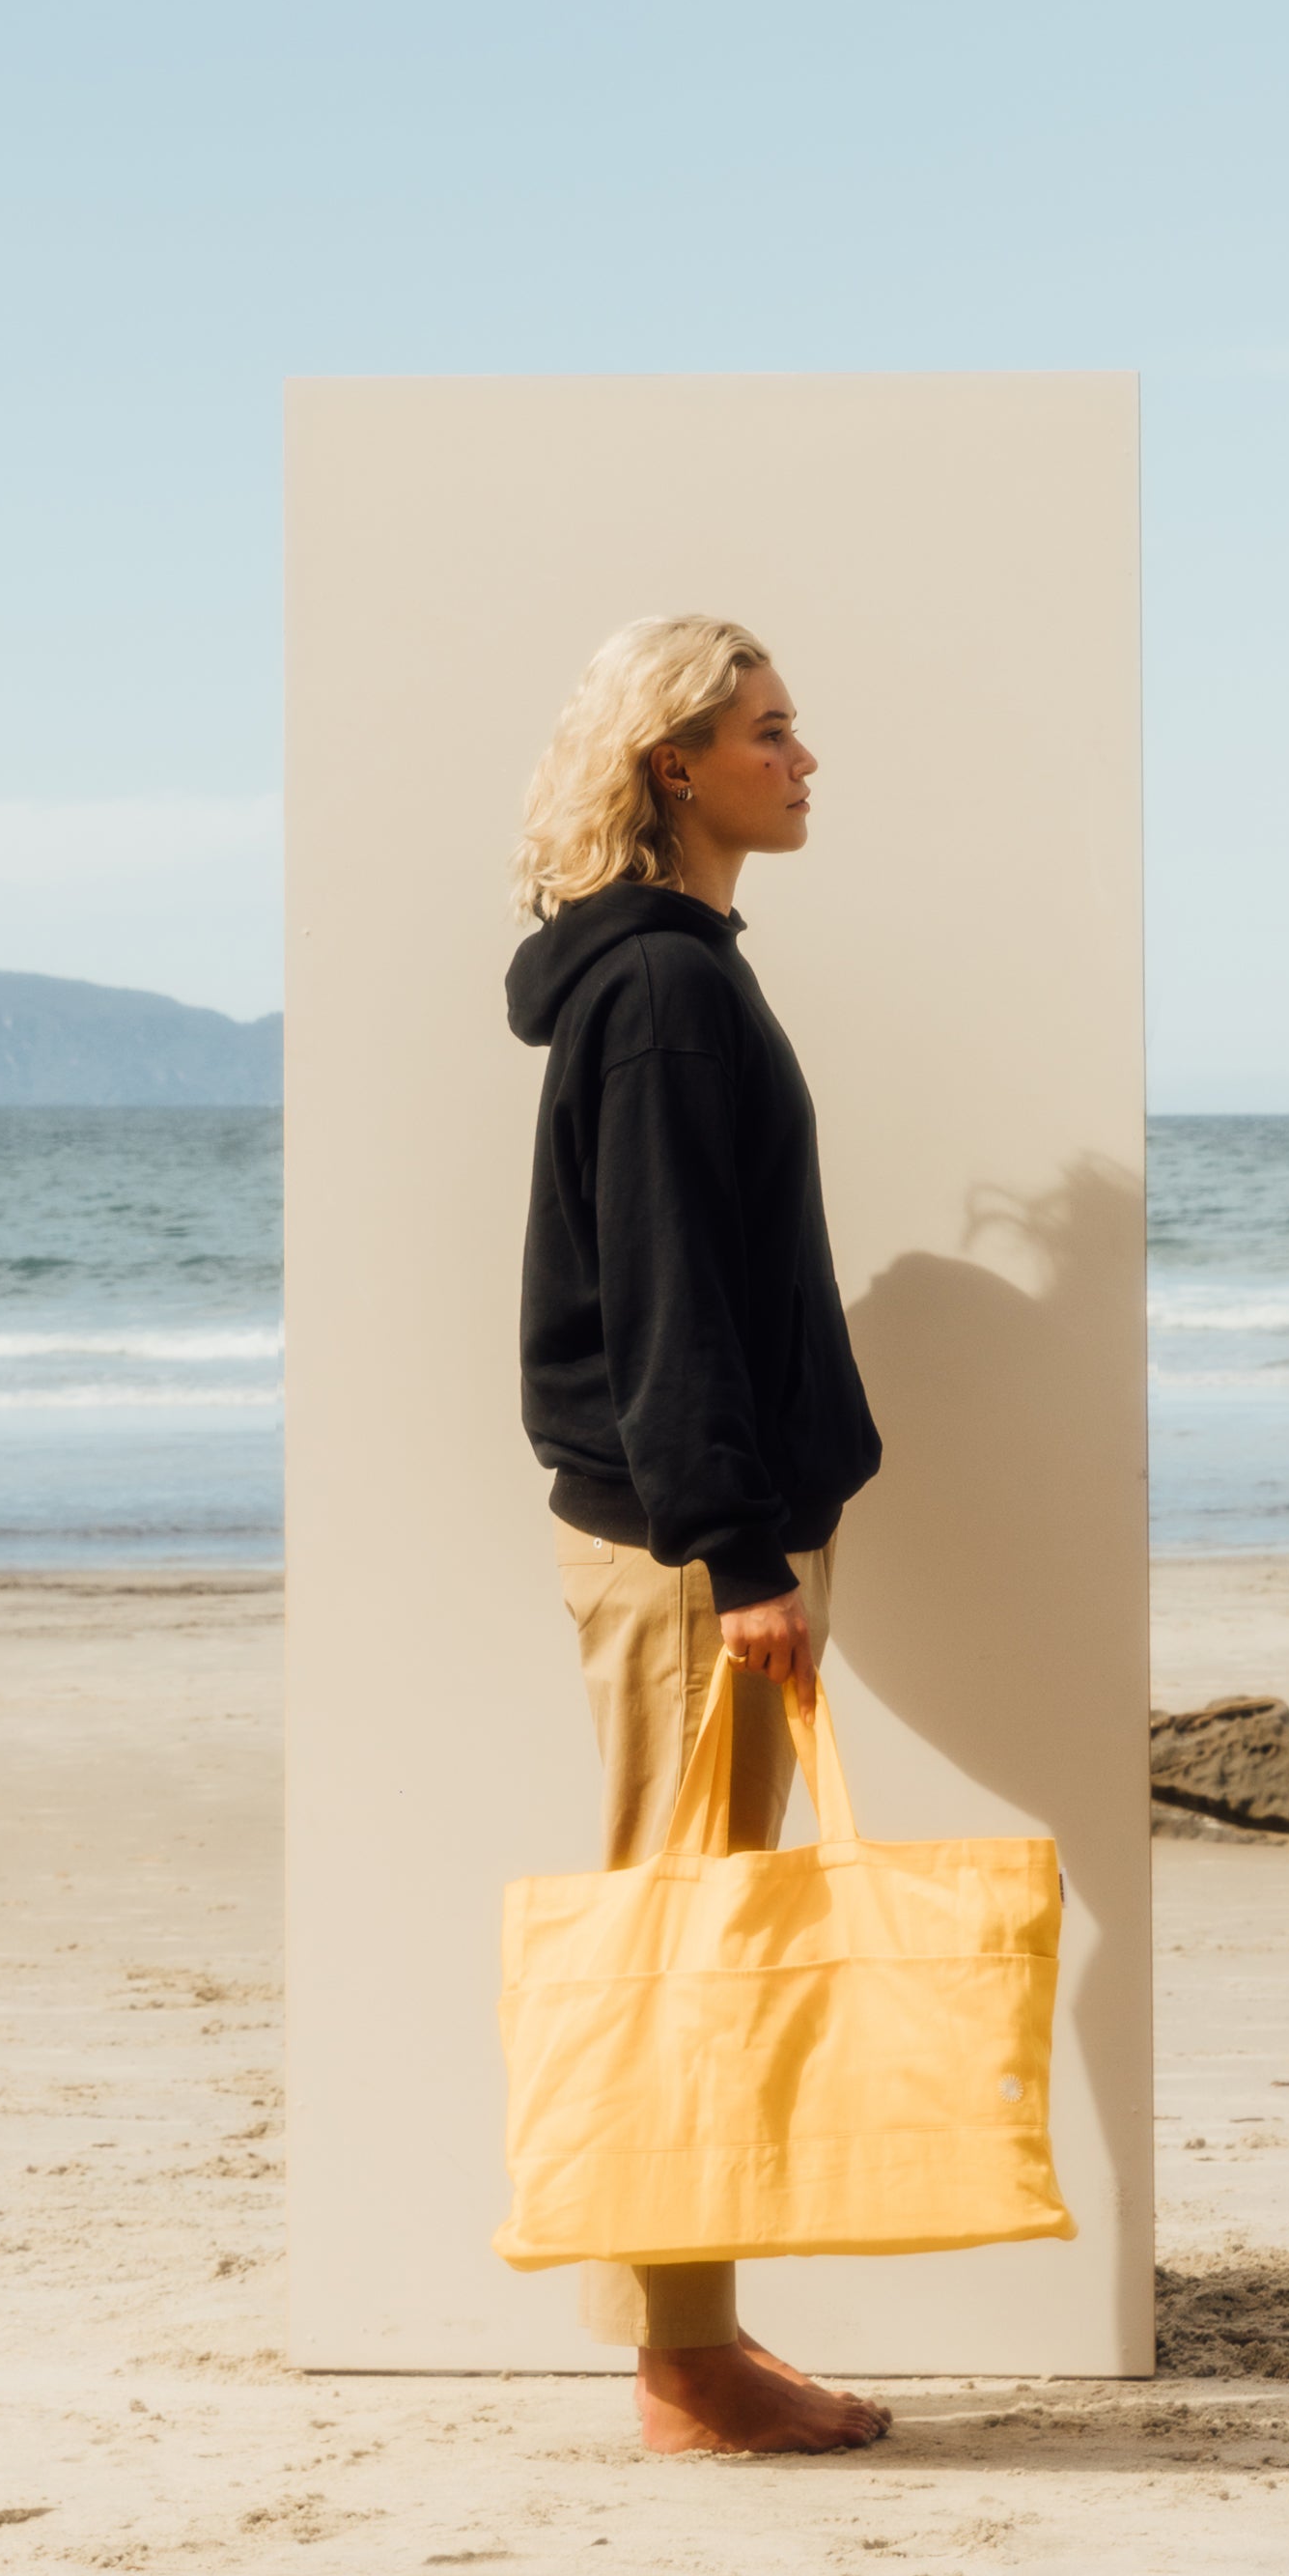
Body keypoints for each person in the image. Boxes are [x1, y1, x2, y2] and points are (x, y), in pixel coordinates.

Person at [505, 617, 891, 2455]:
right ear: (677, 763)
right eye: (771, 731)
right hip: (683, 1560)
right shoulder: (662, 994)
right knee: (686, 1943)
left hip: (691, 1544)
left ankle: (690, 2342)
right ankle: (687, 2368)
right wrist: (741, 1554)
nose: (803, 760)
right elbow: (665, 1297)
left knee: (695, 1932)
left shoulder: (677, 976)